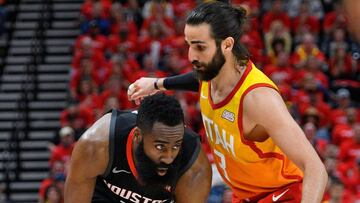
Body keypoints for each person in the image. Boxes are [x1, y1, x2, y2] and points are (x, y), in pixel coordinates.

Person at [128, 1, 328, 202]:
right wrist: (156, 84)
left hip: (284, 194)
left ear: (227, 44)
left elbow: (316, 169)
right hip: (245, 196)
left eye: (200, 47)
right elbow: (197, 80)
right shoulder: (210, 72)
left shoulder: (257, 99)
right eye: (189, 45)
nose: (191, 56)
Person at [64, 94, 212, 203]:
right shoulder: (96, 145)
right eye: (160, 146)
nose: (168, 157)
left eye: (176, 146)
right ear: (138, 136)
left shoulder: (194, 168)